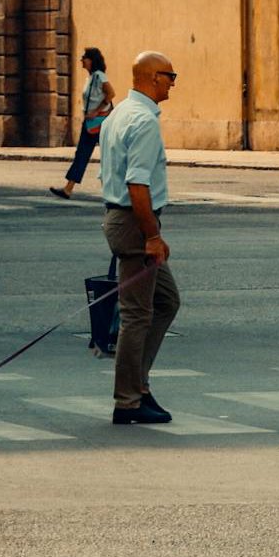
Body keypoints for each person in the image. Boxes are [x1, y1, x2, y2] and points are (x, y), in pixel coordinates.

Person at [99, 50, 181, 425]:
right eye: (170, 76)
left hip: (124, 219)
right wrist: (152, 235)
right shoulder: (144, 121)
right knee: (136, 314)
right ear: (152, 78)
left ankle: (139, 384)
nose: (173, 83)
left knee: (166, 300)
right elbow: (137, 185)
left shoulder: (118, 114)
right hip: (135, 222)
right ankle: (129, 400)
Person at [50, 47, 115, 198]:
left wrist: (96, 111)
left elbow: (111, 94)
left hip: (100, 122)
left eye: (84, 58)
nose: (82, 61)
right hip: (91, 123)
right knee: (82, 154)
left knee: (106, 155)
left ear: (92, 60)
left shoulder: (99, 76)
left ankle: (114, 189)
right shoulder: (91, 77)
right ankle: (68, 188)